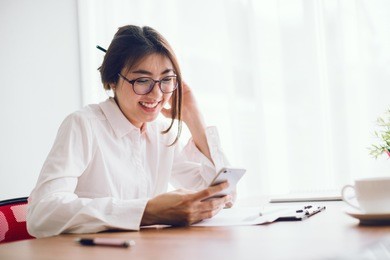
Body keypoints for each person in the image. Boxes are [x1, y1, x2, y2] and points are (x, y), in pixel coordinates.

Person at [27, 25, 233, 238]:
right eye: (142, 80)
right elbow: (42, 213)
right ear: (112, 81)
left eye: (166, 80)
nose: (156, 93)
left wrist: (194, 118)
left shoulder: (162, 134)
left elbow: (224, 195)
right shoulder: (83, 125)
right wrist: (148, 211)